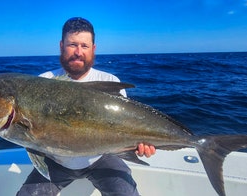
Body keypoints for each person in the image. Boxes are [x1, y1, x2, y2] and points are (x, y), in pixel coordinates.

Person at [17, 17, 156, 196]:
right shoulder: (42, 82)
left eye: (84, 46)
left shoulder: (110, 81)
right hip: (55, 160)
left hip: (102, 157)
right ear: (61, 46)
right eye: (72, 45)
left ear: (93, 49)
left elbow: (122, 130)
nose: (78, 52)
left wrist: (139, 144)